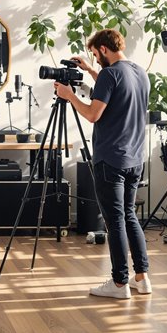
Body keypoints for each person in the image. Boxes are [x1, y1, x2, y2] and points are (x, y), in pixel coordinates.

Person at [54, 29, 150, 299]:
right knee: (129, 216)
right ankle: (141, 278)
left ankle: (119, 283)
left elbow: (93, 114)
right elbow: (114, 88)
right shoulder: (139, 72)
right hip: (134, 158)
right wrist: (88, 72)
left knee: (114, 221)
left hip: (110, 159)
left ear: (104, 49)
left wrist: (69, 96)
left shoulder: (110, 74)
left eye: (95, 56)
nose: (95, 61)